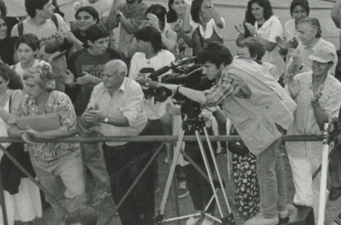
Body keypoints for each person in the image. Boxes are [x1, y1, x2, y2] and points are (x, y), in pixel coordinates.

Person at [142, 42, 297, 225]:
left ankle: (269, 214)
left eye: (207, 66)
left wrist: (174, 87)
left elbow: (209, 98)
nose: (204, 71)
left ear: (221, 64)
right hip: (279, 114)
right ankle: (281, 209)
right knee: (274, 166)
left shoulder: (231, 77)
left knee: (265, 170)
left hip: (268, 122)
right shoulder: (239, 61)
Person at [80, 58, 151, 225]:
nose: (104, 79)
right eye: (103, 75)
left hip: (138, 141)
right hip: (112, 145)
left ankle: (148, 222)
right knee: (119, 189)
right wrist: (86, 120)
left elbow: (128, 120)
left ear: (122, 75)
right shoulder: (98, 89)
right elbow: (88, 116)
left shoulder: (134, 88)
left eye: (109, 76)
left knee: (142, 187)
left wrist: (102, 118)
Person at [0, 60, 44, 225]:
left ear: (7, 81)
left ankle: (23, 218)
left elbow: (16, 122)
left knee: (16, 183)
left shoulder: (16, 94)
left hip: (10, 144)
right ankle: (2, 219)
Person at [13, 60, 87, 211]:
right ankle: (63, 220)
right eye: (26, 85)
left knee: (77, 193)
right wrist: (22, 133)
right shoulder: (24, 102)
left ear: (45, 85)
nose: (27, 89)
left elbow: (70, 128)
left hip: (66, 156)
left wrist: (39, 135)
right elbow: (12, 127)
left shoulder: (61, 99)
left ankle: (74, 220)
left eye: (32, 86)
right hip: (39, 159)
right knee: (54, 198)